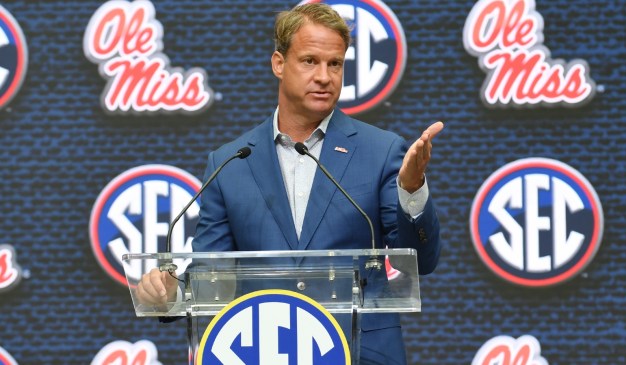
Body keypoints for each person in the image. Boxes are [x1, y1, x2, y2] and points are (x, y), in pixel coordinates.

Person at [136, 3, 444, 364]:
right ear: (279, 64)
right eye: (310, 61)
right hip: (264, 352)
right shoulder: (230, 163)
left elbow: (421, 260)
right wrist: (171, 292)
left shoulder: (381, 150)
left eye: (335, 64)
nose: (325, 76)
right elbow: (211, 274)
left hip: (361, 352)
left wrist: (411, 189)